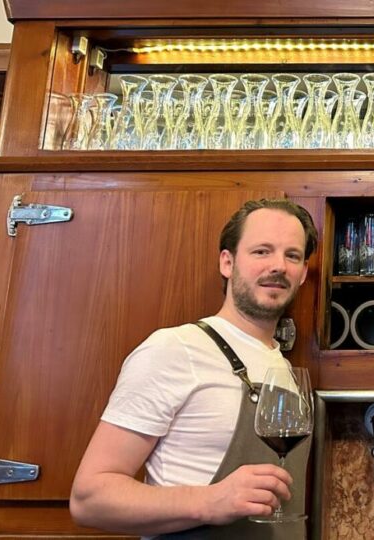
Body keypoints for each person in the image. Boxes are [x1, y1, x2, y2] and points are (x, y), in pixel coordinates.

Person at [70, 199, 318, 539]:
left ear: (302, 273)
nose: (278, 266)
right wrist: (210, 501)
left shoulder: (284, 369)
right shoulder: (175, 349)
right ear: (228, 262)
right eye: (262, 251)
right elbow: (89, 499)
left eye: (292, 255)